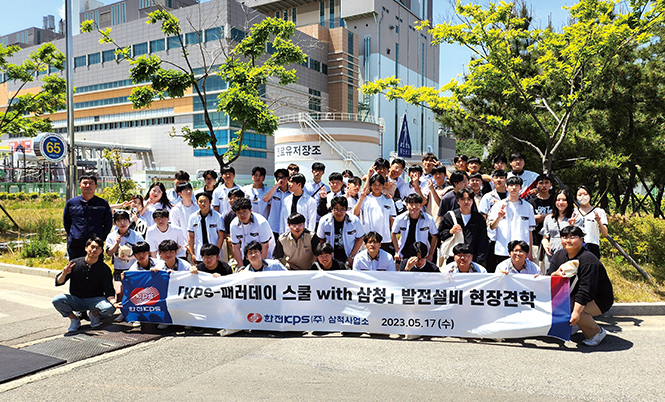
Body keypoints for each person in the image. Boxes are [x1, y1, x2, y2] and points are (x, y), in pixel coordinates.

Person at [548, 226, 614, 346]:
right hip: (573, 295)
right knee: (565, 305)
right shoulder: (559, 255)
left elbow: (586, 289)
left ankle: (596, 333)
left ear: (581, 239)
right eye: (565, 237)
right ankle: (578, 324)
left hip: (599, 298)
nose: (568, 240)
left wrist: (576, 312)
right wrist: (556, 274)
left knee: (576, 310)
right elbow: (549, 275)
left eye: (573, 237)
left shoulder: (588, 259)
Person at [52, 236, 120, 332]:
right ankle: (74, 319)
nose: (94, 250)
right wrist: (64, 273)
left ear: (101, 251)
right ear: (86, 248)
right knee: (57, 300)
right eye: (92, 247)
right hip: (77, 299)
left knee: (109, 308)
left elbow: (109, 290)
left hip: (95, 300)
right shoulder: (74, 263)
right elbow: (59, 281)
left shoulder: (104, 269)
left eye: (97, 248)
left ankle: (94, 314)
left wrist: (114, 303)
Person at [105, 210, 144, 322]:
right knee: (120, 292)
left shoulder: (136, 235)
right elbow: (108, 253)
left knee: (134, 291)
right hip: (118, 268)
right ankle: (123, 313)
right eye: (119, 220)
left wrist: (130, 258)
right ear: (115, 223)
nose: (122, 223)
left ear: (129, 220)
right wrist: (117, 243)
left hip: (133, 268)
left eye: (124, 220)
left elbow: (143, 252)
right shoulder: (112, 236)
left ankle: (135, 315)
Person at [488, 176, 536, 265]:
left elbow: (530, 230)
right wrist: (499, 217)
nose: (514, 188)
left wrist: (529, 252)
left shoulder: (528, 207)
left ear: (521, 188)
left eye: (516, 185)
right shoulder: (498, 206)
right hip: (503, 249)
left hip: (521, 251)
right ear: (507, 187)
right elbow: (492, 227)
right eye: (511, 185)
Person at [63, 174, 113, 260]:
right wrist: (74, 235)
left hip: (96, 245)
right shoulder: (71, 203)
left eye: (91, 183)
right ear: (80, 186)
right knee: (75, 269)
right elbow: (67, 222)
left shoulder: (102, 204)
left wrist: (100, 238)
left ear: (95, 186)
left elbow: (108, 223)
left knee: (96, 270)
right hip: (76, 244)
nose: (88, 185)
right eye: (85, 183)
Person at [438, 188, 489, 264]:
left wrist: (479, 260)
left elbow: (483, 240)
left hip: (473, 259)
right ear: (458, 201)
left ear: (472, 200)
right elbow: (440, 235)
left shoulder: (479, 218)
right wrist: (450, 232)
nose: (466, 202)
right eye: (462, 199)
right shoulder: (450, 216)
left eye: (469, 199)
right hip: (453, 259)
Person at [354, 174, 397, 255]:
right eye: (374, 184)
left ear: (383, 185)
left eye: (379, 185)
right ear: (370, 185)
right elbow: (355, 213)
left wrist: (394, 238)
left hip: (385, 239)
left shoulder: (388, 200)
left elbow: (392, 220)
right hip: (368, 238)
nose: (377, 187)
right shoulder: (365, 199)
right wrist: (360, 200)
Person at [317, 197, 365, 267]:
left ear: (346, 209)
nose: (339, 212)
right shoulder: (324, 221)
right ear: (332, 209)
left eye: (342, 209)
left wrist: (352, 256)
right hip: (332, 258)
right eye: (336, 209)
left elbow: (360, 239)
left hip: (349, 255)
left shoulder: (354, 221)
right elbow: (321, 239)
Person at [391, 193, 438, 262]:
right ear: (407, 205)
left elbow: (434, 236)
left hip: (422, 253)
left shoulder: (428, 219)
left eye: (417, 204)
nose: (414, 207)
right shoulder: (399, 218)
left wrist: (431, 254)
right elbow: (393, 233)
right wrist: (397, 251)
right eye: (411, 204)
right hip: (404, 252)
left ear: (421, 205)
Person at [230, 198, 275, 266]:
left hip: (265, 255)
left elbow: (265, 246)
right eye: (239, 213)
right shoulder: (233, 224)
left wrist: (260, 266)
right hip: (248, 255)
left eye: (245, 212)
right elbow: (236, 246)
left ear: (251, 210)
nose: (242, 215)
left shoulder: (261, 223)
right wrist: (241, 266)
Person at [478, 169, 508, 272]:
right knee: (492, 265)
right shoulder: (487, 197)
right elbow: (482, 216)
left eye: (502, 177)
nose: (499, 180)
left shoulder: (512, 196)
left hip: (507, 235)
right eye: (496, 177)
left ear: (506, 179)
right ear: (492, 180)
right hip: (492, 236)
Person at [541, 189, 581, 261]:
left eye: (564, 200)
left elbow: (580, 238)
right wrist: (545, 245)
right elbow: (545, 237)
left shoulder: (575, 217)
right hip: (551, 254)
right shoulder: (549, 218)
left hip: (569, 254)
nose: (560, 202)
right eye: (558, 200)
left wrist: (572, 226)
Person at [188, 192, 224, 264]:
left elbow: (221, 236)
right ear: (197, 203)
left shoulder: (218, 217)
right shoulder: (192, 217)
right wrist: (192, 254)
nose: (202, 204)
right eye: (200, 201)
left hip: (214, 255)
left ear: (210, 202)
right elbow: (191, 237)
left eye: (205, 201)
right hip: (199, 254)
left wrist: (217, 252)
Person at [576, 185, 608, 259]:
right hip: (576, 246)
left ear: (590, 195)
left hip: (592, 246)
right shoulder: (573, 212)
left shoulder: (599, 211)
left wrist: (599, 221)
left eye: (585, 194)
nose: (582, 196)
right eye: (579, 195)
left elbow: (605, 233)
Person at [528, 174, 555, 261]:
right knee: (536, 262)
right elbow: (531, 218)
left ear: (551, 184)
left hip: (552, 237)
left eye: (546, 183)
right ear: (537, 185)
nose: (544, 185)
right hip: (535, 236)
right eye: (541, 183)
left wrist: (539, 218)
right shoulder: (531, 202)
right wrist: (550, 215)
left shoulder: (555, 200)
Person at [263, 168, 290, 254]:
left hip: (287, 226)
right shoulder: (273, 191)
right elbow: (265, 199)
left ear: (288, 178)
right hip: (273, 226)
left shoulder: (292, 192)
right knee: (273, 250)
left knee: (286, 250)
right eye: (279, 177)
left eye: (284, 177)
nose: (281, 179)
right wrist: (276, 186)